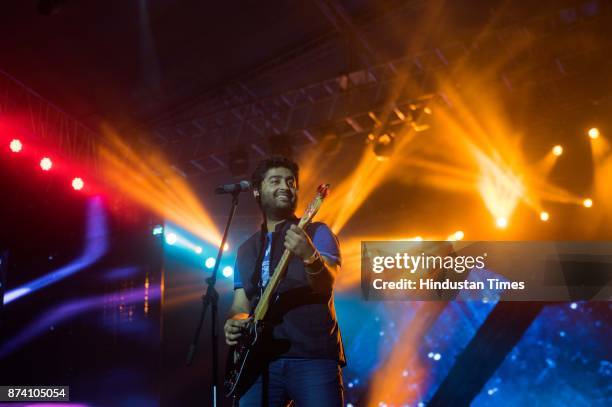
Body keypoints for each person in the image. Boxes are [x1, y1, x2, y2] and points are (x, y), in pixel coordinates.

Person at [224, 156, 345, 406]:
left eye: (290, 182)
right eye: (275, 180)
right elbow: (240, 305)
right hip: (258, 362)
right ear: (257, 191)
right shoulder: (245, 250)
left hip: (312, 356)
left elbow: (327, 284)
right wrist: (235, 322)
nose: (285, 187)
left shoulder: (316, 232)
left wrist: (310, 256)